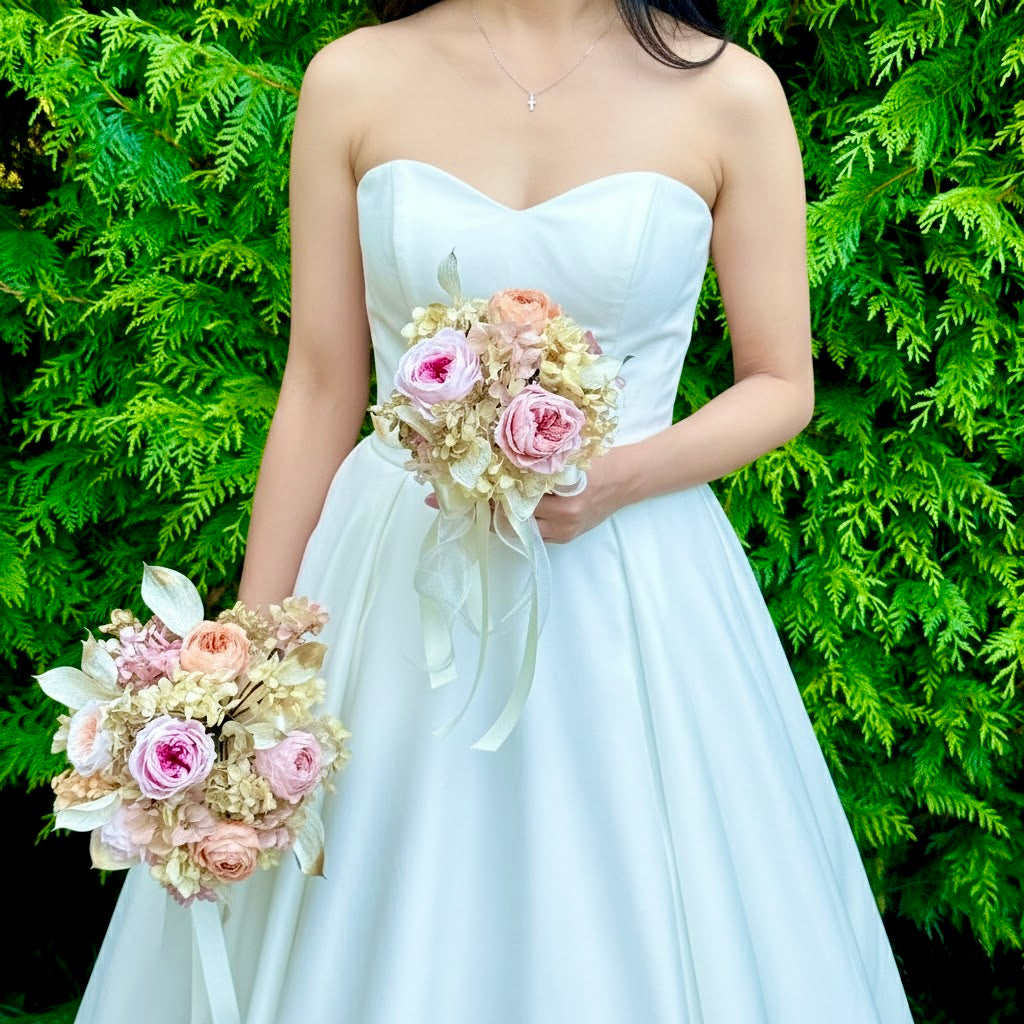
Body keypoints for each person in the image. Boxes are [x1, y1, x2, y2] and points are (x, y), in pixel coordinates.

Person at [75, 1, 916, 1021]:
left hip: (631, 576)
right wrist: (239, 665)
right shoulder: (353, 77)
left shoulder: (729, 91)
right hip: (390, 575)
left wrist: (614, 481)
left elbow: (781, 383)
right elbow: (322, 383)